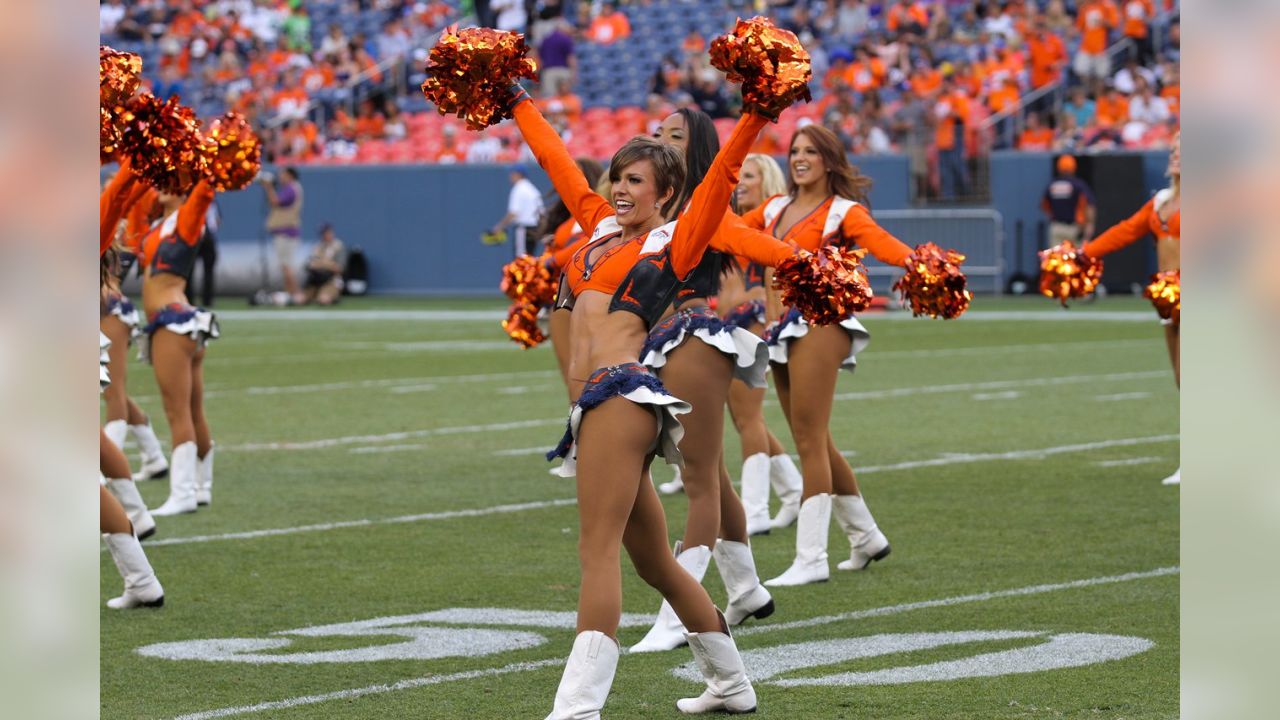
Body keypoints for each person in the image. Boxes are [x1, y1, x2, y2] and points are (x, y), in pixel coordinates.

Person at [510, 79, 776, 716]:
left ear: (666, 193)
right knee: (655, 561)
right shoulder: (597, 229)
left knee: (594, 552)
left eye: (637, 182)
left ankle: (576, 707)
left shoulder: (676, 239)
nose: (622, 191)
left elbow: (721, 179)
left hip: (621, 395)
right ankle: (732, 683)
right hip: (592, 406)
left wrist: (757, 114)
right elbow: (556, 160)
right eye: (618, 179)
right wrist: (516, 98)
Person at [629, 111, 798, 654]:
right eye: (658, 135)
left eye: (674, 137)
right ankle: (745, 587)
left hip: (692, 339)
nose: (661, 143)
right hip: (656, 343)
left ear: (696, 149)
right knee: (709, 471)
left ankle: (680, 613)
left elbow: (770, 251)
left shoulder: (706, 211)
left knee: (698, 478)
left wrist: (814, 267)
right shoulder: (653, 211)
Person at [741, 124, 916, 587]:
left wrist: (918, 262)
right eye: (795, 150)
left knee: (808, 439)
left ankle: (811, 557)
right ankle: (865, 536)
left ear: (828, 161)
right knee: (815, 437)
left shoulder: (843, 212)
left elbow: (881, 243)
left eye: (810, 152)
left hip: (821, 324)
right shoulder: (775, 206)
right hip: (779, 329)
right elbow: (729, 233)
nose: (799, 158)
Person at [1082, 133, 1180, 485]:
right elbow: (1125, 232)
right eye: (1173, 150)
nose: (1176, 156)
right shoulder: (1160, 203)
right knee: (1183, 380)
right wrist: (1084, 254)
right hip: (1169, 297)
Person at [720, 154, 804, 535]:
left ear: (766, 180)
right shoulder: (739, 219)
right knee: (742, 417)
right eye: (739, 176)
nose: (741, 183)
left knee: (748, 416)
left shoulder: (773, 214)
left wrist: (774, 318)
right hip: (731, 318)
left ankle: (754, 511)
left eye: (749, 176)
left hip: (755, 317)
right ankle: (792, 490)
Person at [100, 179, 170, 483]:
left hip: (109, 310)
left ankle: (104, 470)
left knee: (112, 390)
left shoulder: (113, 227)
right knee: (112, 389)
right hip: (95, 311)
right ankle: (153, 455)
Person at [262, 167, 304, 302]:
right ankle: (290, 294)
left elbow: (275, 201)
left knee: (286, 265)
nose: (280, 177)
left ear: (290, 175)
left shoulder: (292, 188)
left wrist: (268, 187)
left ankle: (297, 295)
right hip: (285, 232)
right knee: (284, 265)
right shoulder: (292, 188)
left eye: (283, 174)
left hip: (286, 232)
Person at [491, 164, 545, 258]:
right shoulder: (532, 189)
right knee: (529, 259)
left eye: (512, 173)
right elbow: (542, 212)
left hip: (524, 229)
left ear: (518, 174)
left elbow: (513, 213)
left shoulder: (519, 189)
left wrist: (499, 227)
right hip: (535, 229)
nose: (510, 176)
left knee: (521, 260)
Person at [1042, 155, 1097, 246]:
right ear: (1073, 167)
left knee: (1056, 258)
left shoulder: (1052, 185)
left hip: (1057, 227)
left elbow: (1045, 206)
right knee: (1075, 258)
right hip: (1074, 228)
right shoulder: (1078, 185)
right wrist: (1090, 224)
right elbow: (1089, 205)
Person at [301, 223, 346, 305]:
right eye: (323, 233)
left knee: (324, 300)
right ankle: (314, 296)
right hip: (315, 281)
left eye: (327, 232)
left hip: (331, 281)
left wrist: (323, 264)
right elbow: (309, 264)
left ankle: (332, 297)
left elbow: (339, 268)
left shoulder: (338, 246)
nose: (325, 235)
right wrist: (323, 264)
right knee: (299, 300)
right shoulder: (317, 247)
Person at [186, 196, 219, 307]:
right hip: (194, 237)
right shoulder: (193, 199)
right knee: (189, 271)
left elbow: (217, 219)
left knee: (208, 270)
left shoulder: (212, 202)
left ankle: (207, 299)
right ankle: (189, 299)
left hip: (208, 238)